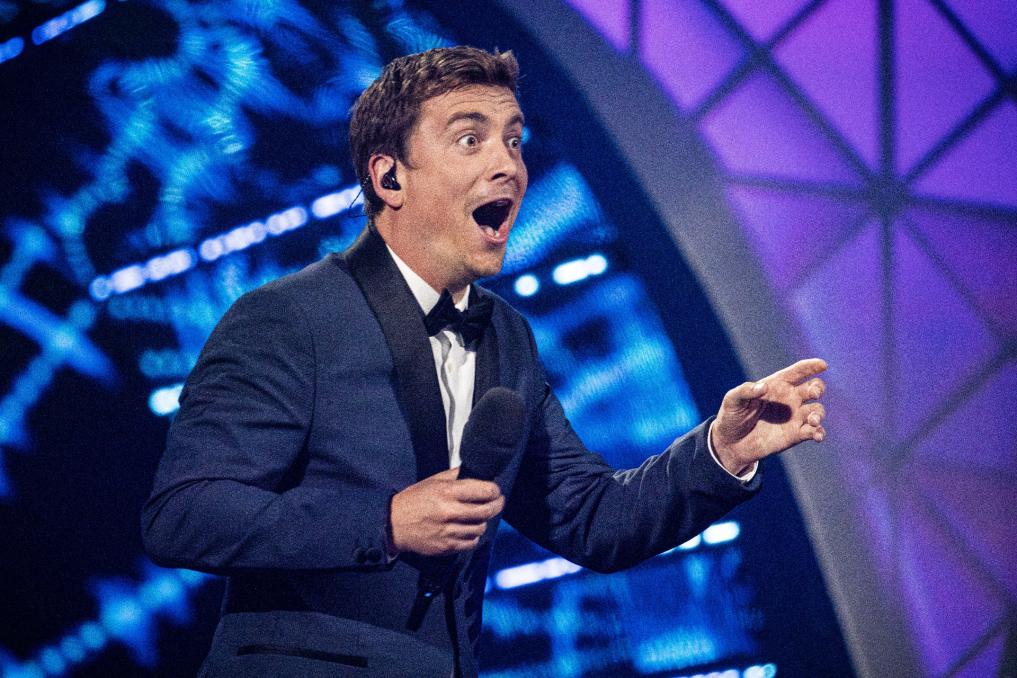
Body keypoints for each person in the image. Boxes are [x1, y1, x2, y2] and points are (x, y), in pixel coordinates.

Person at [141, 46, 827, 678]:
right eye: (471, 139)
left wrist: (720, 452)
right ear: (389, 176)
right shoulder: (289, 318)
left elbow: (592, 520)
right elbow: (184, 515)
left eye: (513, 140)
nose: (508, 165)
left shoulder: (507, 339)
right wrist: (384, 523)